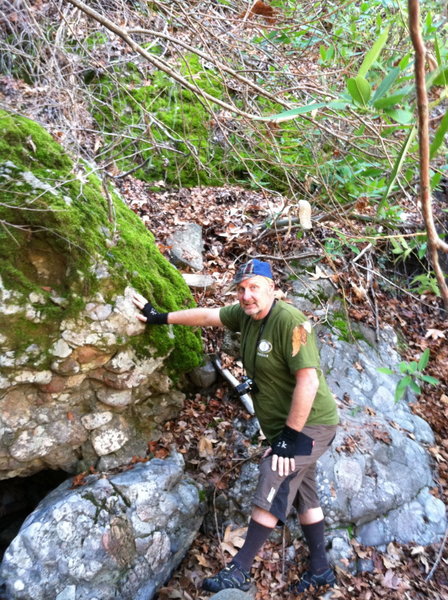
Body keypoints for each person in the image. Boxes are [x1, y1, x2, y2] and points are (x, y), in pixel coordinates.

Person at [133, 258, 339, 594]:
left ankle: (239, 569)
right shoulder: (245, 315)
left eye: (254, 287)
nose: (246, 295)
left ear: (272, 289)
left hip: (311, 425)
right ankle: (320, 570)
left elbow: (309, 382)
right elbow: (207, 316)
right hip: (286, 429)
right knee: (304, 495)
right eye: (241, 289)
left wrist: (288, 438)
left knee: (275, 469)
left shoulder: (293, 322)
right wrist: (160, 317)